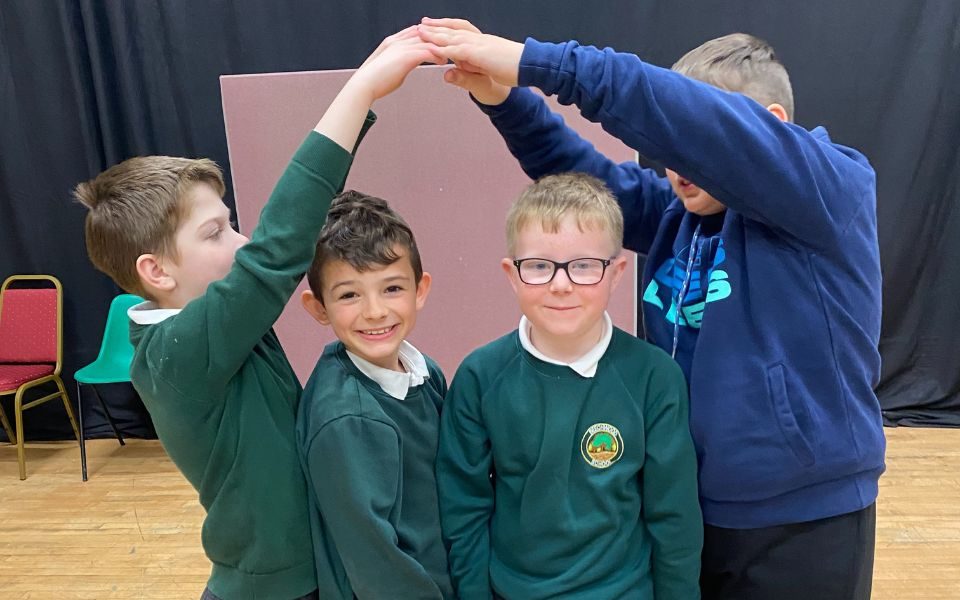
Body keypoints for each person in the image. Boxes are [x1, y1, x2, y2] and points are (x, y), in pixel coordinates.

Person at [419, 18, 884, 600]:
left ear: (772, 131)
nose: (676, 163)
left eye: (694, 144)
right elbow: (580, 177)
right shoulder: (676, 212)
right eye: (667, 150)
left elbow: (661, 104)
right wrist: (505, 100)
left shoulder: (831, 188)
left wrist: (533, 61)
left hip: (800, 523)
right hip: (694, 507)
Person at [74, 27, 443, 600]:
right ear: (157, 271)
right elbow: (279, 247)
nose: (243, 243)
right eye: (216, 232)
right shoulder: (179, 353)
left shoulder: (213, 333)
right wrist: (361, 91)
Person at [437, 173, 702, 599]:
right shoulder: (479, 377)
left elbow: (675, 520)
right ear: (512, 273)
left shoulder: (654, 377)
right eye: (540, 266)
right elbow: (463, 510)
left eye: (583, 266)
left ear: (616, 273)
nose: (561, 284)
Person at [296, 190, 453, 599]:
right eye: (349, 294)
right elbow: (374, 560)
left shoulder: (425, 372)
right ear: (319, 308)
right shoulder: (347, 419)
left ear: (421, 289)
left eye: (392, 289)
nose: (375, 311)